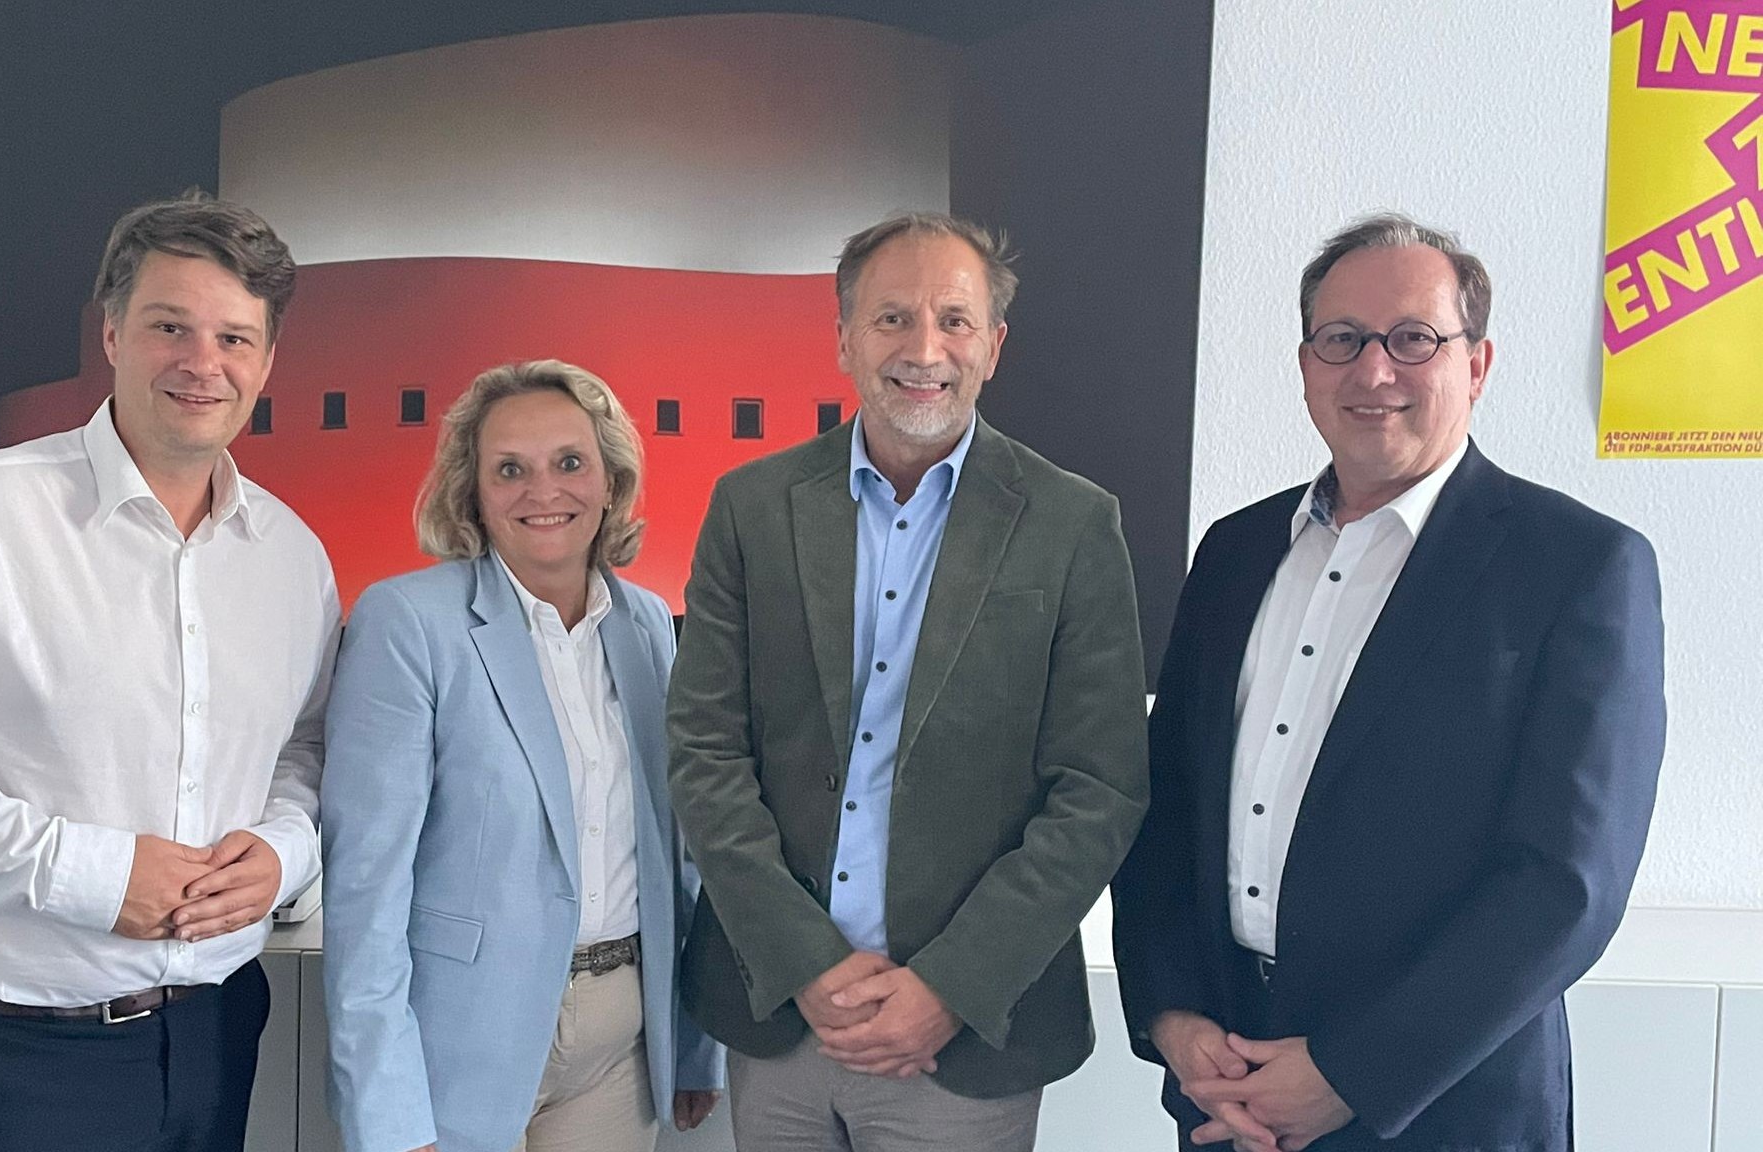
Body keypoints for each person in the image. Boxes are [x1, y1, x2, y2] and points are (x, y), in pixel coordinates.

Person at [0, 193, 339, 1151]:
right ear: (113, 333)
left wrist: (285, 848)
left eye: (234, 338)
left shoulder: (292, 556)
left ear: (266, 362)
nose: (203, 362)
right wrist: (90, 874)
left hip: (217, 1030)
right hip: (18, 1056)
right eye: (171, 326)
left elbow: (305, 745)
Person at [1111, 212, 1666, 1151]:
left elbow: (1565, 885)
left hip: (1439, 1102)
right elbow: (1166, 808)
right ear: (1306, 365)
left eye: (1414, 339)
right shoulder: (1235, 552)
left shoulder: (1577, 566)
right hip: (1227, 1088)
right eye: (1342, 339)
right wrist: (1173, 1018)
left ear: (1477, 364)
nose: (1373, 372)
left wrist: (1349, 1075)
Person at [665, 212, 1150, 1151]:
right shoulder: (751, 508)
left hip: (964, 1041)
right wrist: (806, 962)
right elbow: (704, 752)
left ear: (993, 346)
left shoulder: (1073, 524)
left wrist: (950, 987)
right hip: (781, 1017)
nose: (924, 350)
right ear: (844, 338)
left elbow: (1100, 790)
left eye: (954, 321)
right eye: (892, 318)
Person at [321, 360, 723, 1152]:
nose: (544, 491)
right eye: (510, 469)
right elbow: (366, 885)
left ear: (610, 481)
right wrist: (386, 1107)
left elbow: (680, 855)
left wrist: (692, 1043)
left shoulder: (647, 623)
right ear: (472, 492)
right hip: (459, 1041)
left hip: (621, 1039)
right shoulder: (409, 623)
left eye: (570, 462)